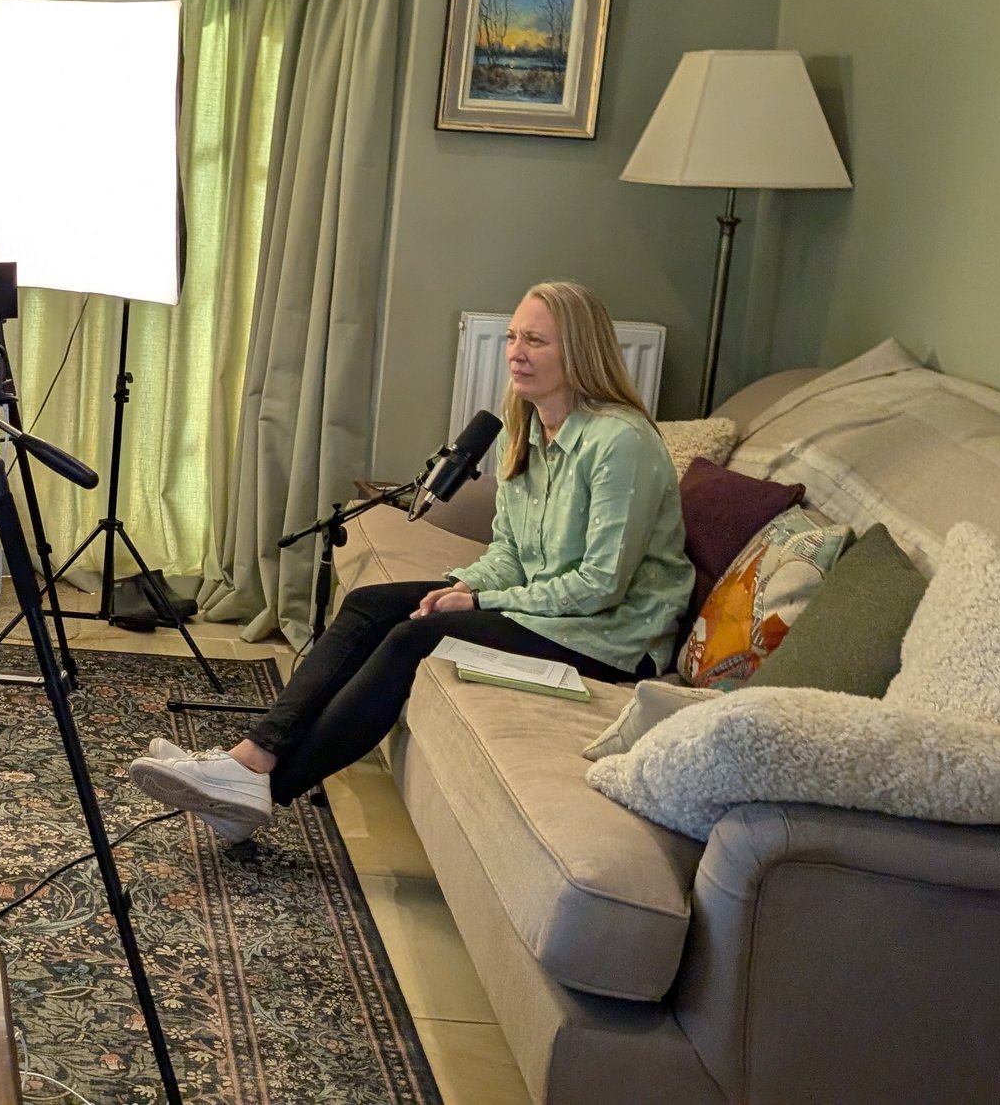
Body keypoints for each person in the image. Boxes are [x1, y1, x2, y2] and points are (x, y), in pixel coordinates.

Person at [128, 280, 693, 844]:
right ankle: (253, 756)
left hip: (610, 639)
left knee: (411, 638)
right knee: (374, 605)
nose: (516, 352)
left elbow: (601, 585)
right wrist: (463, 583)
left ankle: (262, 789)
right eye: (515, 337)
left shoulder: (622, 442)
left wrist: (480, 600)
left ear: (579, 352)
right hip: (552, 613)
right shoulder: (529, 429)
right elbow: (512, 552)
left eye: (537, 341)